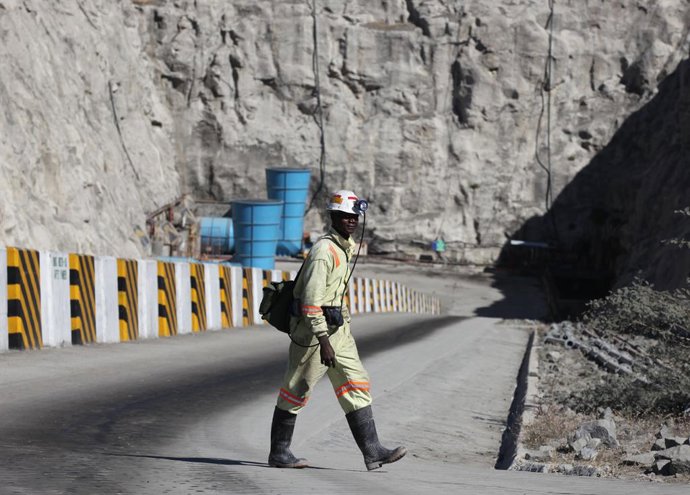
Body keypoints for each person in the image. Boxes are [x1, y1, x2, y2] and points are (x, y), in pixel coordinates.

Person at [268, 190, 407, 471]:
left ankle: (373, 451)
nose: (351, 221)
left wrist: (337, 334)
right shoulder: (324, 252)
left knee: (356, 382)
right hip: (312, 335)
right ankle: (279, 453)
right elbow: (310, 302)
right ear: (334, 217)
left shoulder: (346, 247)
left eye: (354, 216)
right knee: (297, 389)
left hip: (337, 331)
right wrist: (323, 341)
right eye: (344, 216)